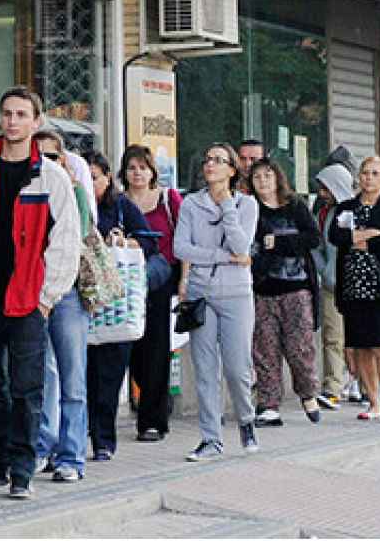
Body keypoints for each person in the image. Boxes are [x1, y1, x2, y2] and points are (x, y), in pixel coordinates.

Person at [0, 86, 80, 500]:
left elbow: (66, 241)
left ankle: (21, 468)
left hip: (26, 302)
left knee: (27, 390)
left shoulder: (52, 178)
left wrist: (47, 298)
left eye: (21, 114)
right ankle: (6, 450)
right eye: (6, 113)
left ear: (36, 122)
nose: (12, 121)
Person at [175, 142, 258, 459]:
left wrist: (226, 207)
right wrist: (221, 257)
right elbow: (181, 248)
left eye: (218, 160)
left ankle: (246, 420)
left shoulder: (247, 205)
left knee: (238, 369)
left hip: (236, 294)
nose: (210, 165)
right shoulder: (190, 204)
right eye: (207, 159)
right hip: (200, 293)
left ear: (232, 169)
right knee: (206, 370)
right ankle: (211, 438)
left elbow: (241, 246)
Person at [82, 150, 157, 461]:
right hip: (79, 300)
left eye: (95, 176)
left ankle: (103, 441)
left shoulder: (121, 205)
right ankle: (77, 436)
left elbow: (150, 241)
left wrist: (125, 243)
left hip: (114, 303)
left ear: (108, 177)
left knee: (110, 376)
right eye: (84, 175)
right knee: (81, 375)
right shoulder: (71, 202)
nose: (89, 182)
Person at [30, 130, 90, 482]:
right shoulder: (24, 190)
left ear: (63, 161)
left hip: (67, 291)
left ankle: (72, 455)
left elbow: (75, 237)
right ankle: (41, 445)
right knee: (42, 372)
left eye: (52, 157)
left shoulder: (75, 193)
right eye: (39, 157)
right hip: (32, 291)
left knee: (72, 376)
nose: (45, 164)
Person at [327, 155, 380, 422]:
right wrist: (368, 234)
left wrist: (361, 240)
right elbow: (335, 237)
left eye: (375, 173)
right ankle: (371, 401)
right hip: (352, 285)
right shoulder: (346, 207)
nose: (369, 178)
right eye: (365, 173)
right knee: (360, 346)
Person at [247, 158, 322, 425]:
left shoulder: (296, 205)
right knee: (264, 349)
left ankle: (308, 393)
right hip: (263, 289)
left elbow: (313, 238)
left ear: (278, 178)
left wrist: (278, 243)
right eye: (257, 177)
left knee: (300, 348)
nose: (263, 182)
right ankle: (268, 404)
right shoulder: (250, 208)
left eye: (268, 175)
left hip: (296, 288)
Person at [121, 145, 181, 442]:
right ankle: (149, 398)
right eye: (132, 168)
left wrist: (185, 281)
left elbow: (183, 237)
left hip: (160, 280)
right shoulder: (118, 203)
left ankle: (152, 420)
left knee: (157, 347)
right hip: (127, 283)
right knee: (133, 348)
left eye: (143, 167)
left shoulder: (168, 199)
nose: (137, 173)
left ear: (152, 171)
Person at [310, 155, 355, 409]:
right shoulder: (322, 213)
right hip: (330, 284)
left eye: (327, 187)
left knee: (357, 338)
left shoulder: (353, 211)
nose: (322, 193)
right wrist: (324, 270)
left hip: (355, 285)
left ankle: (356, 383)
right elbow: (318, 247)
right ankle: (333, 386)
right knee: (333, 336)